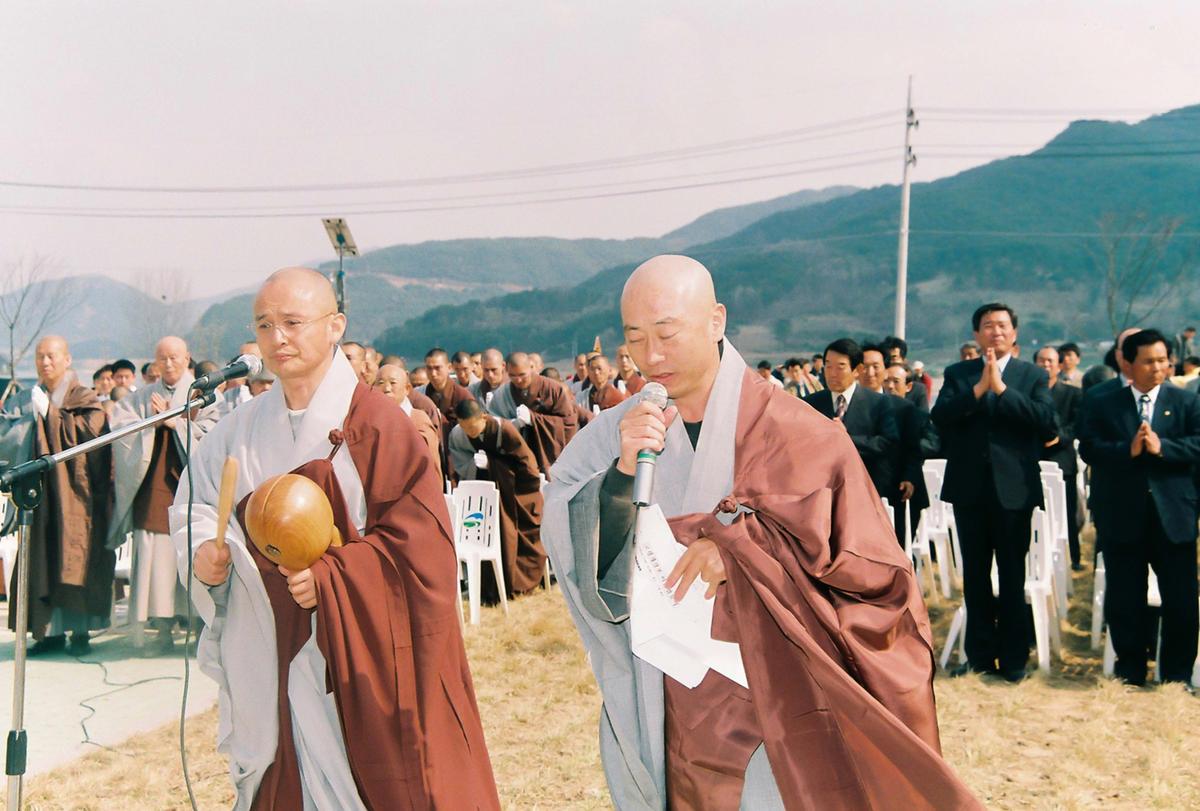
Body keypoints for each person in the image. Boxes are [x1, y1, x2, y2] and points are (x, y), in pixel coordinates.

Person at [544, 255, 977, 809]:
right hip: (667, 695)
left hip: (778, 698)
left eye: (667, 333)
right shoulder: (617, 432)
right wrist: (620, 478)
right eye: (635, 338)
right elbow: (563, 517)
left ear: (717, 321)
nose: (650, 356)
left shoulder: (800, 432)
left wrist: (745, 554)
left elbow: (874, 578)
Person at [172, 267, 498, 808]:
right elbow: (196, 506)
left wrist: (331, 578)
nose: (277, 338)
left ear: (334, 327)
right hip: (271, 642)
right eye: (265, 325)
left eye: (293, 322)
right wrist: (206, 553)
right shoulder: (238, 428)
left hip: (360, 653)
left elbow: (423, 552)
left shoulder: (380, 426)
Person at [931, 303, 1056, 681]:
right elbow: (941, 417)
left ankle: (1015, 660)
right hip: (970, 489)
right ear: (976, 334)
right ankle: (980, 657)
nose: (995, 332)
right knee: (976, 577)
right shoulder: (958, 374)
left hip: (1014, 490)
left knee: (1013, 575)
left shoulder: (1031, 375)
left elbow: (1045, 420)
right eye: (988, 326)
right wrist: (978, 390)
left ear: (1014, 333)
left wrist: (1000, 391)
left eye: (1002, 325)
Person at [1078, 328, 1200, 687]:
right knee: (1125, 595)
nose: (1157, 367)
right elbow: (1089, 448)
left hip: (1173, 513)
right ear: (1127, 364)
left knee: (1180, 599)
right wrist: (1126, 451)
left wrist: (1164, 448)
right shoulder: (1103, 402)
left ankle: (1176, 675)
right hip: (1122, 512)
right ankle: (1130, 670)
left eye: (1163, 360)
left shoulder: (1186, 402)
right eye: (1148, 361)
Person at [0, 336, 114, 656]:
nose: (45, 363)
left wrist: (51, 413)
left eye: (51, 356)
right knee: (41, 561)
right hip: (40, 495)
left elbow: (92, 435)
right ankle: (47, 634)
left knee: (72, 559)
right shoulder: (27, 397)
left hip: (74, 496)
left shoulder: (84, 396)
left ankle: (80, 633)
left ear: (67, 360)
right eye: (40, 357)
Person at [110, 336, 220, 654]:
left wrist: (175, 423)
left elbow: (215, 435)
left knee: (194, 553)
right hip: (156, 488)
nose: (168, 364)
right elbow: (120, 427)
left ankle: (199, 628)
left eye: (174, 357)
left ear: (187, 358)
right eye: (162, 359)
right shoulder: (143, 396)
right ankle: (161, 630)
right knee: (156, 560)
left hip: (194, 489)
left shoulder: (206, 393)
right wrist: (151, 424)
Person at [450, 398, 548, 599]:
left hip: (517, 495)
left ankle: (517, 585)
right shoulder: (458, 436)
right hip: (486, 498)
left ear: (483, 417)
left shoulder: (505, 430)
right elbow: (460, 465)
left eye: (472, 426)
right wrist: (476, 468)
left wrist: (493, 466)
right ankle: (490, 589)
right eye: (463, 426)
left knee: (513, 532)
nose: (469, 432)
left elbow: (527, 467)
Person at [804, 339, 899, 507]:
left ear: (857, 370)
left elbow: (887, 443)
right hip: (821, 494)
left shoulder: (878, 403)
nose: (832, 373)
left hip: (866, 490)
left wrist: (845, 438)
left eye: (840, 367)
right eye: (828, 366)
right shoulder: (810, 404)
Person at [1035, 346, 1083, 569]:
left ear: (1059, 364)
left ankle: (1073, 557)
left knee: (1067, 512)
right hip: (1033, 457)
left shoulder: (1073, 393)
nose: (1046, 365)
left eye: (1050, 361)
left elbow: (1077, 425)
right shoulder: (1028, 393)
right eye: (1042, 361)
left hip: (1062, 459)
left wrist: (1059, 438)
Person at [503, 351, 578, 477]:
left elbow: (568, 423)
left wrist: (533, 419)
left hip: (549, 454)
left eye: (522, 374)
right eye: (512, 375)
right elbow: (496, 421)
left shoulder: (553, 388)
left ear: (531, 368)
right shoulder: (505, 392)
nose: (518, 380)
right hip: (521, 454)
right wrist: (512, 424)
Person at [374, 363, 442, 479]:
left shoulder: (417, 419)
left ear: (407, 389)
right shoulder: (372, 419)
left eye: (393, 383)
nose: (386, 389)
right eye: (380, 383)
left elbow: (431, 467)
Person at [882, 336, 929, 410]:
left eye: (894, 358)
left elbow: (923, 418)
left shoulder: (917, 389)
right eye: (886, 358)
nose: (890, 362)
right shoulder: (874, 387)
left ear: (904, 359)